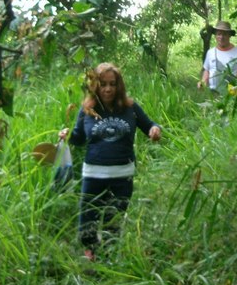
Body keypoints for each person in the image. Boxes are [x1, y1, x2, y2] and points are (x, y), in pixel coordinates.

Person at [59, 62, 162, 261]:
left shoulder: (130, 108)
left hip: (122, 176)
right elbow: (78, 138)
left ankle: (110, 260)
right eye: (103, 84)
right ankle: (90, 257)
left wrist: (154, 130)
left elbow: (150, 125)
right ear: (95, 86)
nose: (108, 89)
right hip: (93, 175)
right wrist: (67, 135)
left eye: (112, 84)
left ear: (119, 85)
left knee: (113, 222)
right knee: (87, 220)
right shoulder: (87, 109)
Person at [198, 20, 237, 93]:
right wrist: (203, 82)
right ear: (215, 35)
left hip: (232, 93)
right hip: (213, 93)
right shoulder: (211, 52)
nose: (221, 37)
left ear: (229, 35)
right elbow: (207, 71)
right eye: (219, 34)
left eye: (225, 34)